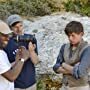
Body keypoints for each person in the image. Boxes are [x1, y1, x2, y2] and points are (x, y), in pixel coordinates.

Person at [5, 14, 39, 90]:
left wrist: (31, 51)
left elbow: (36, 61)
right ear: (10, 28)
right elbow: (5, 68)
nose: (19, 29)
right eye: (15, 27)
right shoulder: (6, 43)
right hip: (16, 86)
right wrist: (20, 60)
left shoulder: (30, 39)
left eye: (20, 26)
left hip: (31, 84)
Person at [53, 21, 90, 90]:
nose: (70, 38)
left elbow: (80, 73)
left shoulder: (87, 49)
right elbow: (55, 67)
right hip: (65, 86)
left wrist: (63, 64)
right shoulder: (64, 47)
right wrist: (74, 69)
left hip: (80, 87)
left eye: (73, 35)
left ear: (81, 34)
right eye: (68, 35)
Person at [0, 21, 30, 90]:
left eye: (8, 35)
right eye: (4, 35)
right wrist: (22, 59)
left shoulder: (2, 52)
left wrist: (17, 61)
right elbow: (11, 77)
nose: (7, 38)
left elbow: (5, 69)